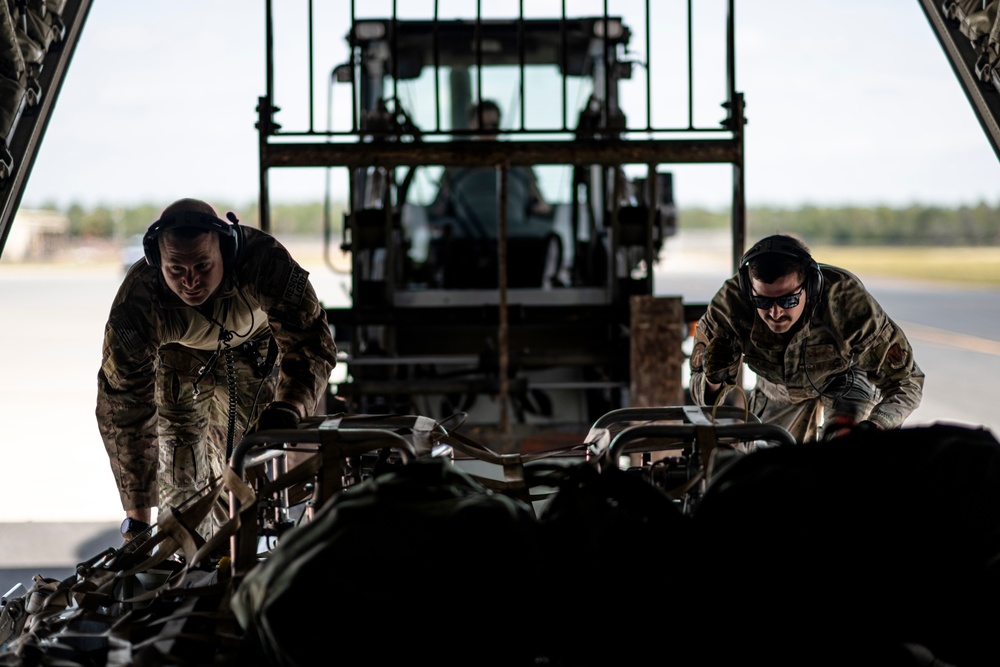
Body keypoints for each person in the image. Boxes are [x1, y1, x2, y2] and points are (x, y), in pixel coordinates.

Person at [96, 198, 338, 543]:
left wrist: (290, 407)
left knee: (245, 469)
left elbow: (310, 342)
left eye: (202, 265)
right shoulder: (139, 300)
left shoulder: (263, 261)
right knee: (181, 482)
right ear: (157, 262)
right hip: (177, 364)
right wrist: (136, 517)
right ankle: (189, 563)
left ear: (226, 250)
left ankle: (239, 560)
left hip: (253, 353)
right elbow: (124, 405)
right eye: (176, 270)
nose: (190, 281)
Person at [689, 233, 924, 443]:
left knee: (846, 457)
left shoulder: (846, 301)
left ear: (810, 287)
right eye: (762, 301)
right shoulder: (729, 307)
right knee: (771, 468)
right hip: (778, 387)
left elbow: (907, 380)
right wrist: (713, 379)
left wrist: (876, 425)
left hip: (845, 379)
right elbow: (700, 394)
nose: (775, 312)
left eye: (787, 300)